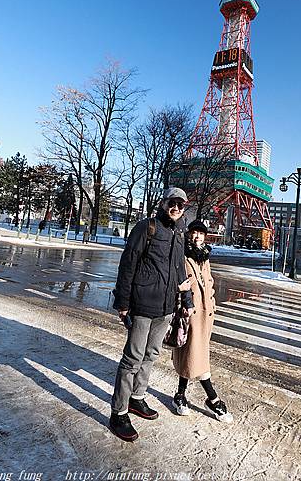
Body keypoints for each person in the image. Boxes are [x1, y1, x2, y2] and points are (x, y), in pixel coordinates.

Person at [109, 187, 194, 442]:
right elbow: (128, 263)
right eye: (172, 202)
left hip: (166, 307)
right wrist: (123, 302)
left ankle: (137, 398)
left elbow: (180, 269)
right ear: (164, 202)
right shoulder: (147, 227)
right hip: (143, 304)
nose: (176, 207)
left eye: (181, 204)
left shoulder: (180, 232)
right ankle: (119, 412)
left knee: (151, 354)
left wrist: (186, 300)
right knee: (132, 358)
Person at [172, 219, 233, 423]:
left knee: (191, 354)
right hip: (190, 313)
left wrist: (213, 301)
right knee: (197, 356)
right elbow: (176, 281)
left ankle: (180, 395)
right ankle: (213, 399)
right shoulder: (182, 255)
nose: (197, 236)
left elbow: (209, 282)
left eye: (201, 233)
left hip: (206, 315)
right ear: (188, 234)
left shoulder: (204, 256)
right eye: (194, 232)